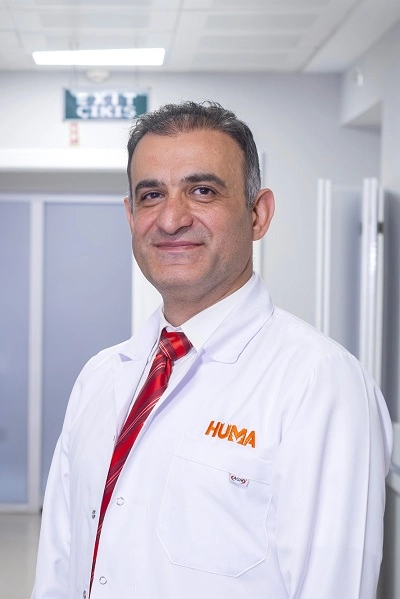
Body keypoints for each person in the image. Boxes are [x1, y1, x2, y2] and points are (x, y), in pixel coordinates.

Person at [31, 101, 392, 599]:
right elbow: (59, 567)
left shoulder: (321, 384)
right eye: (151, 195)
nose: (171, 219)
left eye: (202, 191)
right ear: (131, 216)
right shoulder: (100, 376)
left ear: (258, 214)